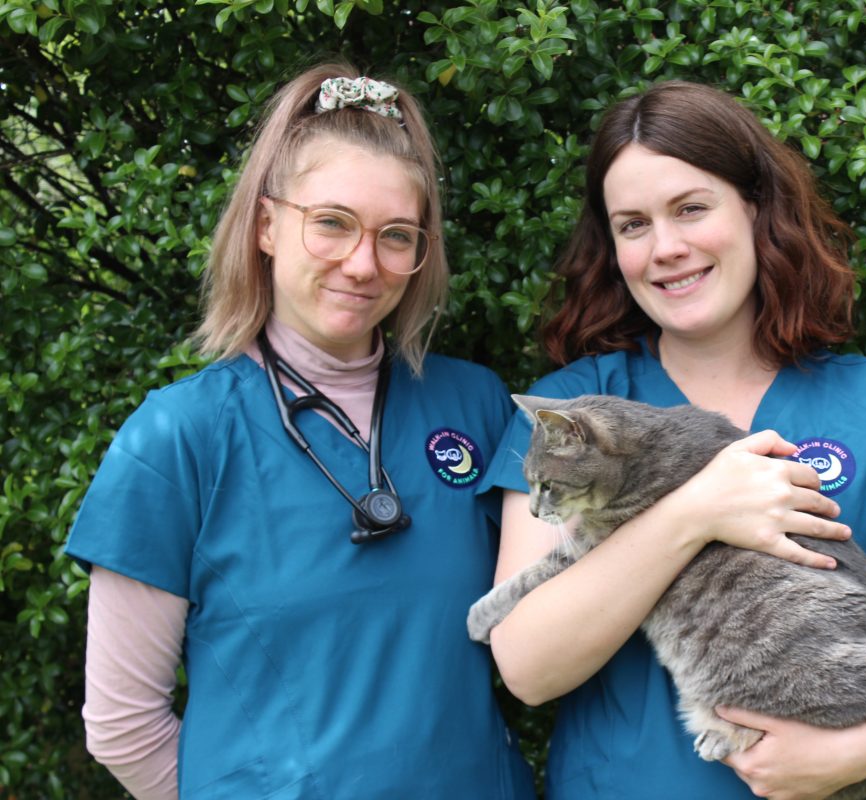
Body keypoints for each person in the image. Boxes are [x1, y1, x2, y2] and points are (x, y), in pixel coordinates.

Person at [477, 80, 866, 799]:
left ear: (756, 209)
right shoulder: (572, 413)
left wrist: (860, 753)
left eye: (692, 208)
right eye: (632, 225)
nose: (667, 248)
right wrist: (696, 513)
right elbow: (528, 665)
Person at [66, 61, 534, 799]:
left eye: (396, 236)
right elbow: (122, 723)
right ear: (266, 225)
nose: (363, 263)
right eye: (332, 224)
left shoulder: (475, 406)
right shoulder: (177, 438)